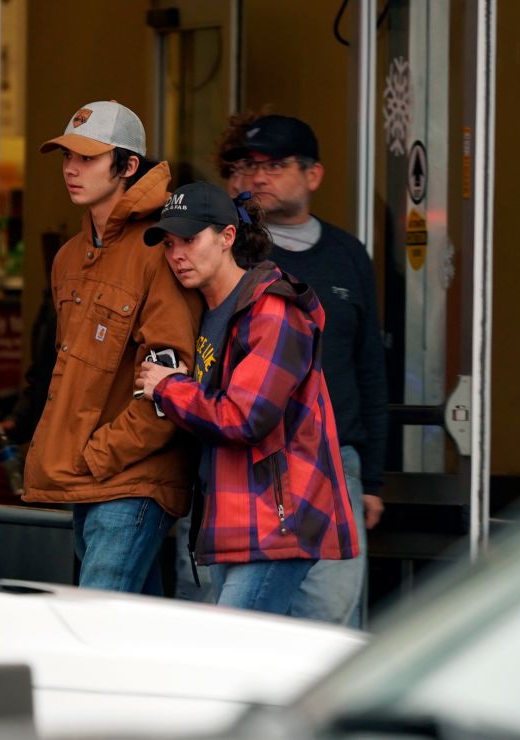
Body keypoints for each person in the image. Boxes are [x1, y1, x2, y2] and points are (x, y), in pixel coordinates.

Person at [137, 181, 358, 615]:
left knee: (228, 653)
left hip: (277, 519)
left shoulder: (273, 309)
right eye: (168, 243)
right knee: (255, 658)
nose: (176, 253)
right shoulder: (205, 312)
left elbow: (245, 417)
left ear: (227, 237)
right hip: (233, 515)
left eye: (189, 239)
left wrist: (167, 387)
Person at [21, 100, 201, 595]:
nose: (71, 169)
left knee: (98, 618)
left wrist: (96, 455)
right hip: (89, 479)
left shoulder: (160, 248)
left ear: (126, 166)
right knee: (133, 631)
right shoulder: (68, 257)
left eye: (87, 158)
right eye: (65, 157)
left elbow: (171, 382)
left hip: (132, 479)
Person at [222, 114, 388, 627]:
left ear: (313, 175)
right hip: (248, 455)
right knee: (239, 619)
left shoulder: (348, 256)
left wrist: (372, 477)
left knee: (329, 613)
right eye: (248, 165)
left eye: (274, 164)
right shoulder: (228, 249)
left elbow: (369, 368)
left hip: (335, 459)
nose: (258, 176)